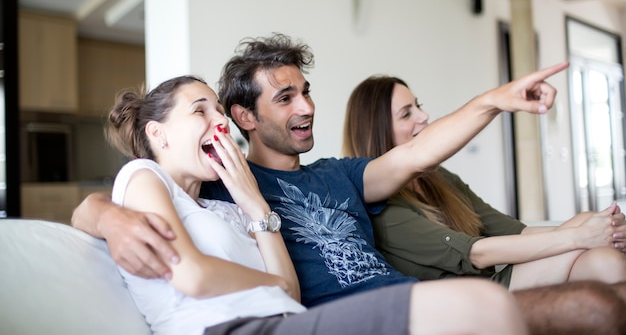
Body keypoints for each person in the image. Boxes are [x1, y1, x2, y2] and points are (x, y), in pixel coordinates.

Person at [73, 34, 626, 334]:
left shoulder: (337, 173)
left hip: (404, 300)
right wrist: (103, 213)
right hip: (356, 317)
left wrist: (494, 101)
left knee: (606, 297)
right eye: (285, 98)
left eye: (306, 91)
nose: (309, 107)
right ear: (245, 118)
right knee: (592, 309)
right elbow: (137, 196)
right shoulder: (218, 191)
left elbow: (415, 154)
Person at [100, 73, 529, 335]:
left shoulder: (227, 205)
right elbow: (191, 276)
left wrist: (256, 208)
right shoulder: (144, 175)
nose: (219, 124)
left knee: (486, 308)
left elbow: (288, 288)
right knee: (484, 304)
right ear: (158, 135)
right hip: (241, 328)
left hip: (287, 319)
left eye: (218, 112)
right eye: (200, 112)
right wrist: (100, 214)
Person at [341, 74, 626, 291]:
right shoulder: (380, 206)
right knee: (593, 243)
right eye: (407, 113)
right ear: (377, 131)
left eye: (419, 106)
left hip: (494, 279)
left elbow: (519, 232)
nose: (424, 116)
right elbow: (476, 254)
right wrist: (581, 237)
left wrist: (602, 229)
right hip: (472, 297)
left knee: (602, 253)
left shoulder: (438, 180)